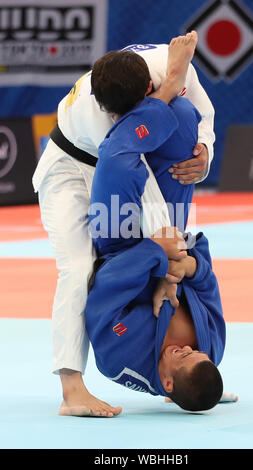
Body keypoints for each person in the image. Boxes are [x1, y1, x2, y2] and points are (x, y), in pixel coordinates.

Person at [32, 32, 216, 417]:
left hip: (128, 147)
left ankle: (189, 385)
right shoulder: (96, 109)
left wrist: (205, 154)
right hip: (69, 166)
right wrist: (169, 263)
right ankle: (71, 389)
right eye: (114, 114)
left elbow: (204, 116)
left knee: (182, 121)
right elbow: (134, 170)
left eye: (126, 114)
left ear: (148, 88)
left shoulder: (176, 66)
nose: (117, 117)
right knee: (79, 267)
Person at [85, 33, 225, 412]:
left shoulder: (119, 358)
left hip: (122, 240)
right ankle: (159, 102)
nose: (187, 348)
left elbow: (105, 289)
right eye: (195, 353)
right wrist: (189, 266)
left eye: (181, 357)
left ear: (166, 385)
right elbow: (207, 282)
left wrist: (155, 256)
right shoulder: (213, 347)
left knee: (119, 157)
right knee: (181, 117)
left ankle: (138, 112)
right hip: (175, 236)